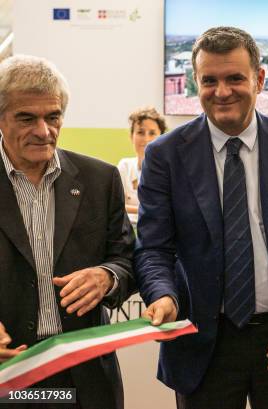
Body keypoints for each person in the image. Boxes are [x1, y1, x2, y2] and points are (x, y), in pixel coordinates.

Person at [134, 26, 268, 409]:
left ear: (259, 79)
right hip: (201, 344)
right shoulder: (164, 156)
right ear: (194, 83)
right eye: (209, 81)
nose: (222, 92)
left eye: (235, 78)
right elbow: (153, 248)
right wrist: (162, 295)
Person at [0, 55, 135, 409]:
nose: (44, 131)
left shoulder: (100, 180)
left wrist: (107, 276)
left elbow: (127, 258)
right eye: (26, 118)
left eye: (53, 117)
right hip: (9, 373)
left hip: (86, 377)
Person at [117, 106, 167, 216]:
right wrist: (147, 210)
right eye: (140, 132)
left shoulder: (169, 171)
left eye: (152, 133)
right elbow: (116, 206)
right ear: (131, 136)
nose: (146, 139)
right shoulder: (124, 167)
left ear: (162, 138)